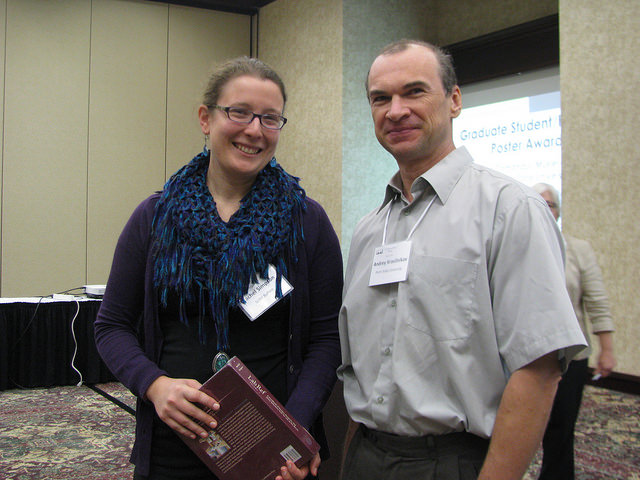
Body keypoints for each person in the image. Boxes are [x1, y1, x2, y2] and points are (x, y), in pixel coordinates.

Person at [337, 39, 588, 480]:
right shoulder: (369, 230)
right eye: (380, 98)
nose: (395, 111)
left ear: (454, 100)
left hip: (454, 461)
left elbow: (539, 370)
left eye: (414, 92)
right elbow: (361, 369)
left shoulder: (510, 209)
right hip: (367, 454)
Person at [95, 56, 343, 480]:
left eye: (270, 118)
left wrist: (295, 430)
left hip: (271, 453)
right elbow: (111, 326)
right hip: (174, 445)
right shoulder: (155, 218)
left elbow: (326, 339)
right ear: (205, 119)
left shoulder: (307, 222)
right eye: (239, 112)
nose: (254, 130)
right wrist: (155, 386)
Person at [532, 182, 616, 480]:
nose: (545, 209)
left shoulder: (578, 250)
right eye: (538, 204)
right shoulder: (513, 249)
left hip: (570, 357)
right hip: (525, 358)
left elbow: (597, 301)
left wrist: (607, 348)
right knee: (519, 428)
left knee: (561, 429)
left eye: (550, 204)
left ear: (558, 212)